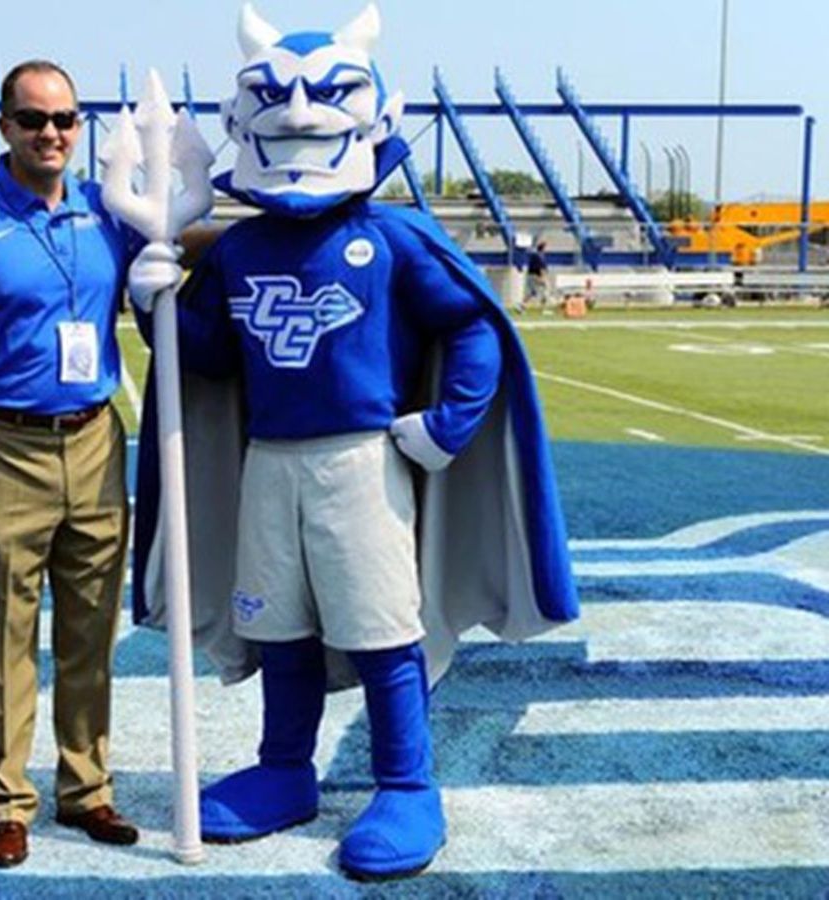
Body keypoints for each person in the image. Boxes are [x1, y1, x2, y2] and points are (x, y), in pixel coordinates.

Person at [129, 3, 577, 882]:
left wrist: (448, 425)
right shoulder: (239, 247)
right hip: (269, 462)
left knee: (380, 629)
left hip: (363, 463)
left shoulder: (392, 236)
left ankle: (407, 782)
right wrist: (159, 306)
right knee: (281, 627)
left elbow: (474, 326)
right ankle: (285, 767)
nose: (298, 118)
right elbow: (212, 359)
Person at [0, 59, 170, 870]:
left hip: (93, 437)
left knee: (91, 631)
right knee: (7, 634)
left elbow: (175, 242)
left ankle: (86, 789)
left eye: (65, 119)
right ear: (4, 125)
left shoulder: (104, 210)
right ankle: (8, 802)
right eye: (35, 119)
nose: (52, 133)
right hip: (0, 446)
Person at [526, 239, 550, 310]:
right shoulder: (540, 256)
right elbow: (541, 268)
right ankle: (543, 307)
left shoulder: (534, 255)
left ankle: (521, 306)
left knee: (533, 292)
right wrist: (542, 277)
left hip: (530, 276)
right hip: (536, 276)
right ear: (543, 248)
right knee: (546, 287)